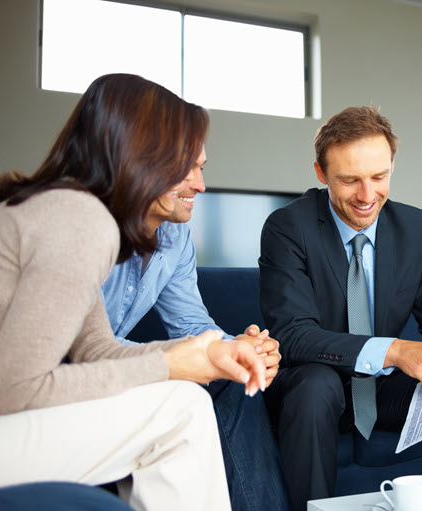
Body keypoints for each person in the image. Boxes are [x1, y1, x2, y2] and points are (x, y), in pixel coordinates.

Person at [0, 73, 268, 511]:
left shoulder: (68, 210)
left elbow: (95, 349)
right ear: (144, 157)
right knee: (182, 409)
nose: (201, 185)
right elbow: (18, 391)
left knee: (184, 397)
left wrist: (201, 354)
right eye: (191, 166)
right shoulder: (80, 221)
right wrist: (168, 365)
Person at [259, 106, 422, 510]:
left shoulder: (413, 226)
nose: (367, 196)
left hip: (379, 390)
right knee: (315, 385)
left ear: (392, 165)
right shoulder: (288, 227)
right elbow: (292, 335)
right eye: (350, 180)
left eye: (379, 177)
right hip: (315, 387)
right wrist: (396, 350)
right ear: (321, 173)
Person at [100, 127, 289, 511]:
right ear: (143, 166)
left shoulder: (176, 235)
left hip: (124, 368)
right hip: (77, 375)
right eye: (186, 170)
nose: (201, 185)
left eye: (201, 168)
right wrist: (188, 358)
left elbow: (190, 324)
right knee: (188, 395)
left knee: (237, 382)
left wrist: (234, 348)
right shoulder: (93, 229)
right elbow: (80, 349)